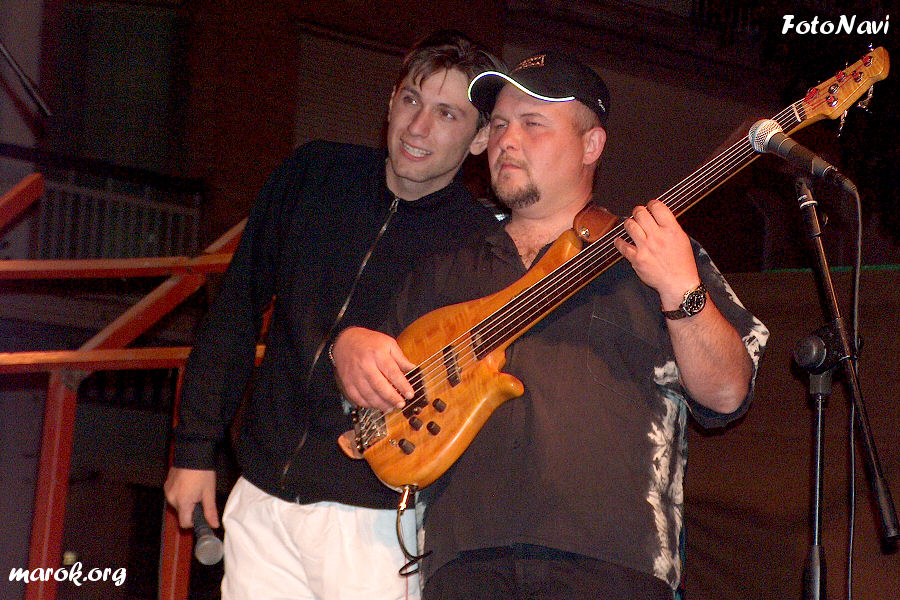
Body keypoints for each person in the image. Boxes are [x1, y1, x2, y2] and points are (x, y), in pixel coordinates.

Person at [331, 51, 769, 599]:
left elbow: (727, 392)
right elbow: (369, 408)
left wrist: (683, 291)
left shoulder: (657, 251)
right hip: (462, 564)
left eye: (533, 124)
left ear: (591, 145)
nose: (507, 141)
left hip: (610, 565)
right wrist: (349, 351)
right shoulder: (443, 271)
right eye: (498, 125)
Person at [163, 30, 504, 600]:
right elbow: (235, 309)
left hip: (377, 525)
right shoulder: (314, 175)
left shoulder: (478, 248)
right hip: (261, 495)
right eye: (411, 100)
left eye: (447, 114)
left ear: (481, 138)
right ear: (390, 101)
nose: (418, 127)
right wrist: (194, 448)